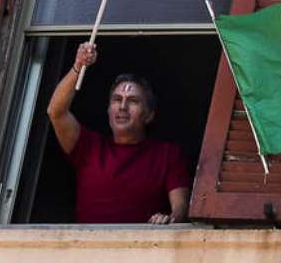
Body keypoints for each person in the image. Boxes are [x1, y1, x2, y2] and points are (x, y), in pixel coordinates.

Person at [47, 42, 191, 224]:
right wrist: (79, 65)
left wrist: (170, 220)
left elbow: (181, 206)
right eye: (117, 100)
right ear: (108, 109)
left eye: (133, 101)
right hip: (85, 248)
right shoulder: (89, 147)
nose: (122, 107)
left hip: (142, 248)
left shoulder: (167, 154)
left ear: (149, 115)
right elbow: (56, 112)